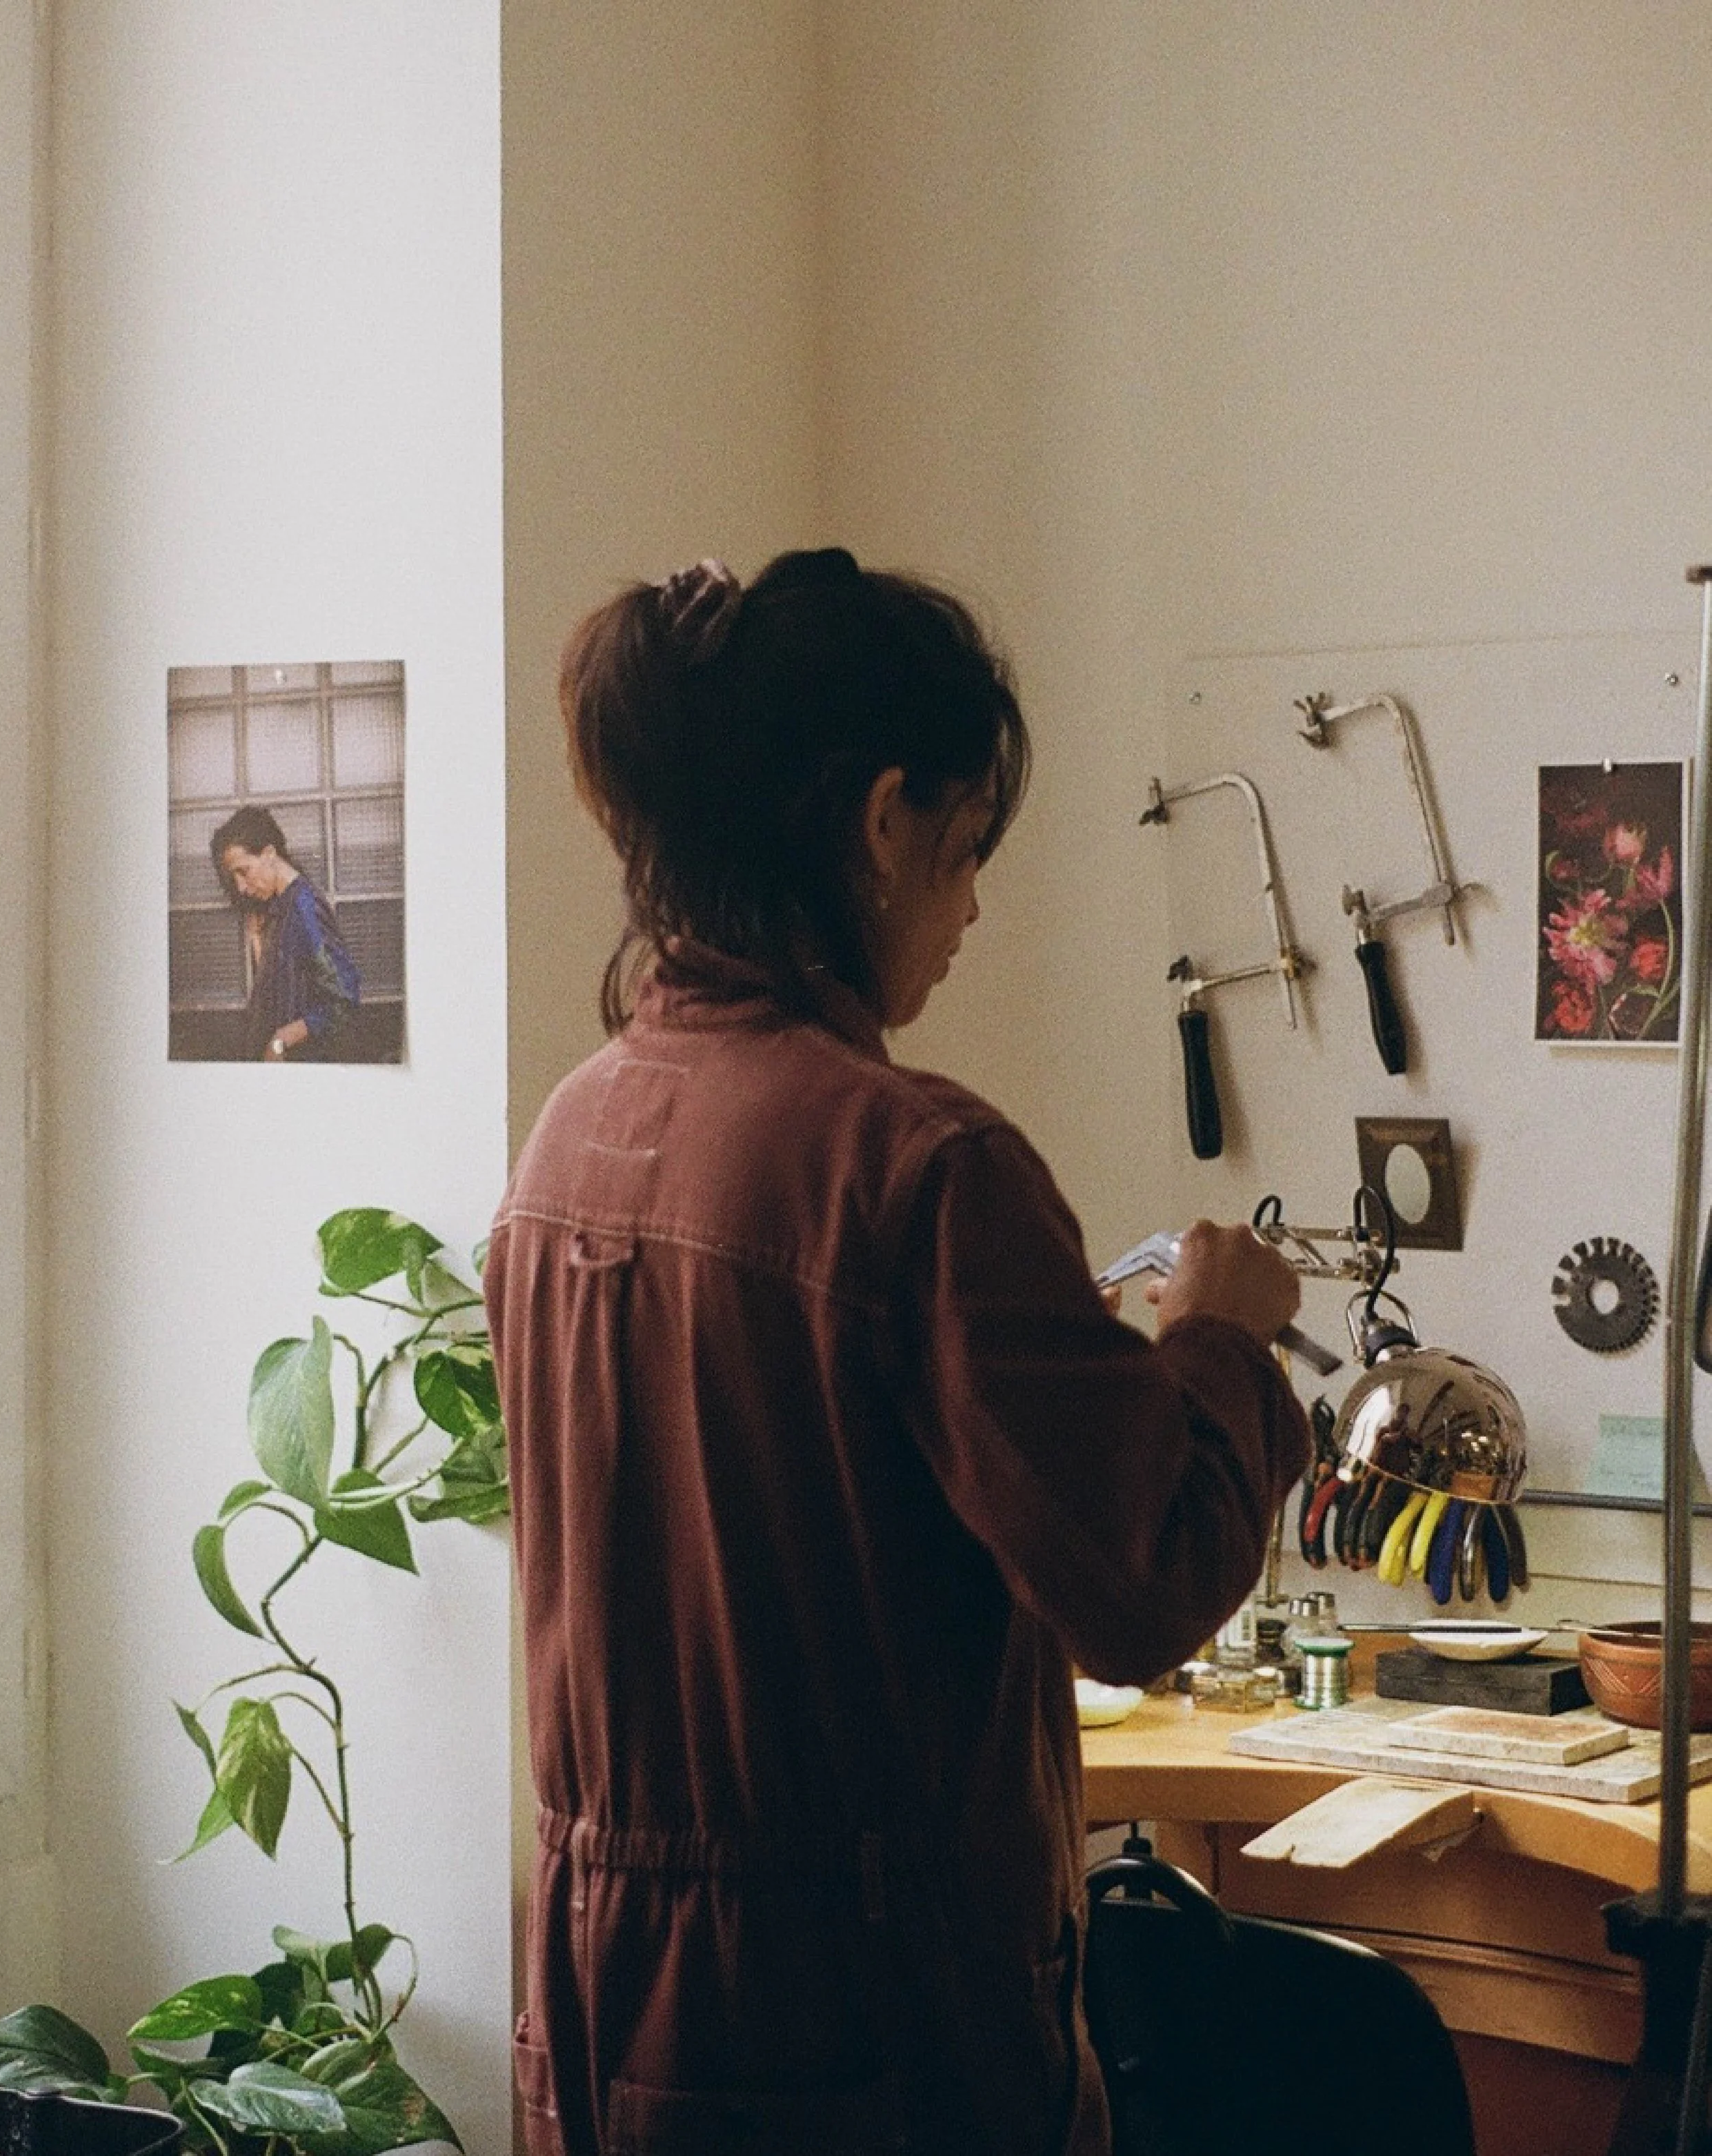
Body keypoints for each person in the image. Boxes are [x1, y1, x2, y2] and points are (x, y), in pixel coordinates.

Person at [485, 548, 1309, 2156]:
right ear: (879, 823)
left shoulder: (573, 1135)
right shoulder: (912, 1165)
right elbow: (1139, 1584)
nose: (975, 902)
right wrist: (1220, 1344)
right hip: (865, 2026)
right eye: (965, 842)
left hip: (603, 2006)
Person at [209, 806, 361, 1062]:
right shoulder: (280, 905)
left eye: (244, 872)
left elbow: (345, 998)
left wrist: (281, 1041)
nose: (240, 887)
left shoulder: (305, 908)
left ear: (269, 853)